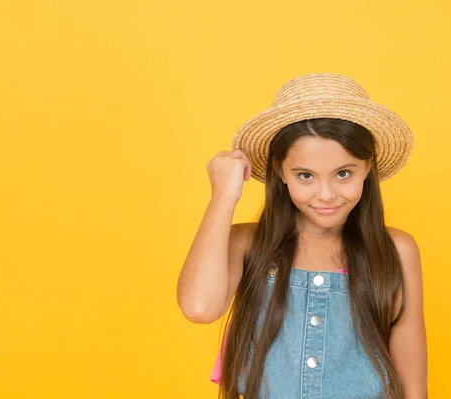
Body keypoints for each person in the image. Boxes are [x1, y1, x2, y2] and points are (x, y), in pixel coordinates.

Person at [177, 73, 427, 399]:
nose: (325, 194)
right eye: (306, 175)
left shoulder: (396, 250)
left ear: (368, 168)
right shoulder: (247, 244)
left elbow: (413, 384)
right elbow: (199, 307)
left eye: (343, 173)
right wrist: (223, 195)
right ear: (280, 171)